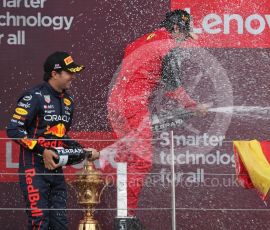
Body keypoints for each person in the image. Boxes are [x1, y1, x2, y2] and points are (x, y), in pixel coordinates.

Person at [106, 9, 207, 221]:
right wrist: (193, 106)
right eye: (184, 35)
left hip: (115, 104)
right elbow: (172, 87)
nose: (184, 41)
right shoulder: (168, 45)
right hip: (132, 107)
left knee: (126, 160)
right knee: (141, 162)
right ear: (178, 28)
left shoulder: (142, 40)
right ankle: (126, 219)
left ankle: (124, 215)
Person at [6, 51, 100, 229]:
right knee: (40, 222)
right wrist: (43, 151)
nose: (73, 76)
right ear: (54, 74)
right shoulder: (34, 96)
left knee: (60, 223)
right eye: (68, 72)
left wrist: (84, 151)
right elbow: (14, 129)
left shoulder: (68, 101)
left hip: (56, 170)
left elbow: (61, 135)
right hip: (34, 169)